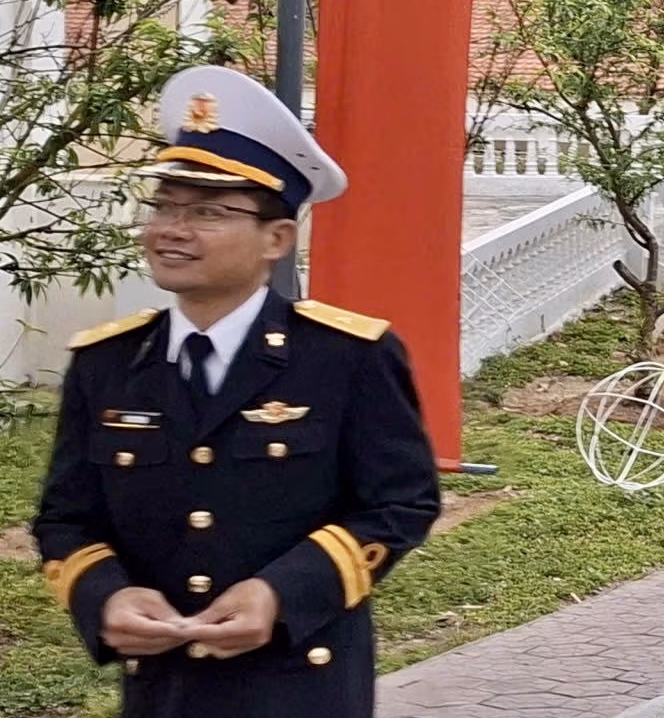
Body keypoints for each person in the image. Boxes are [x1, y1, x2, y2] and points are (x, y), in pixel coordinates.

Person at [34, 66, 441, 718]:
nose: (172, 229)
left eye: (208, 212)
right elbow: (65, 517)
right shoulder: (106, 363)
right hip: (162, 690)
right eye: (164, 206)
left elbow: (401, 502)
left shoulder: (347, 357)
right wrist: (104, 595)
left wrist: (281, 592)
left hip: (300, 683)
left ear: (276, 239)